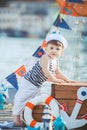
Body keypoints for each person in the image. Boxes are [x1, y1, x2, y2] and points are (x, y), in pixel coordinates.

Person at [13, 31, 75, 126]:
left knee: (33, 100)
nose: (54, 50)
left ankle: (26, 116)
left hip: (37, 84)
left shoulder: (55, 61)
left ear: (61, 52)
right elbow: (46, 70)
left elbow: (58, 73)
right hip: (29, 81)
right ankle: (16, 118)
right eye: (51, 48)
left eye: (57, 49)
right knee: (22, 97)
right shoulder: (45, 58)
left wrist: (68, 80)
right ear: (46, 49)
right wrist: (54, 80)